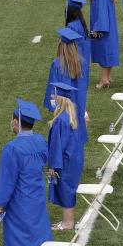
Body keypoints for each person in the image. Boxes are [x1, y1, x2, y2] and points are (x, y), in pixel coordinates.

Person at [0, 99, 52, 246]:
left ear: (17, 122)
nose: (11, 122)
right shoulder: (41, 141)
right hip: (37, 195)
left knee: (21, 236)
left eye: (12, 119)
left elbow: (7, 179)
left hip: (20, 199)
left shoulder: (13, 148)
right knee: (36, 234)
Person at [43, 27, 88, 145]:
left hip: (63, 107)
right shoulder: (82, 62)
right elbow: (83, 88)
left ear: (61, 46)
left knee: (61, 143)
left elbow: (53, 89)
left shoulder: (57, 64)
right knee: (76, 139)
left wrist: (52, 105)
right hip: (78, 106)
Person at [46, 84, 82, 232]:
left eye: (53, 96)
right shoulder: (70, 115)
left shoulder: (60, 120)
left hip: (65, 162)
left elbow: (56, 146)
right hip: (74, 159)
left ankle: (68, 223)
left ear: (59, 99)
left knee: (65, 189)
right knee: (68, 188)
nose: (51, 98)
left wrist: (52, 166)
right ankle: (68, 221)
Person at [88, 0, 120, 89]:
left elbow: (101, 14)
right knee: (108, 52)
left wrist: (96, 30)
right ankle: (107, 77)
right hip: (110, 27)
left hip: (103, 28)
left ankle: (104, 79)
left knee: (105, 52)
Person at [65, 0, 91, 113]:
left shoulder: (71, 26)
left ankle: (79, 112)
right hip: (83, 60)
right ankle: (82, 110)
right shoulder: (82, 23)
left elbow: (68, 45)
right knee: (81, 87)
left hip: (75, 60)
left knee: (74, 87)